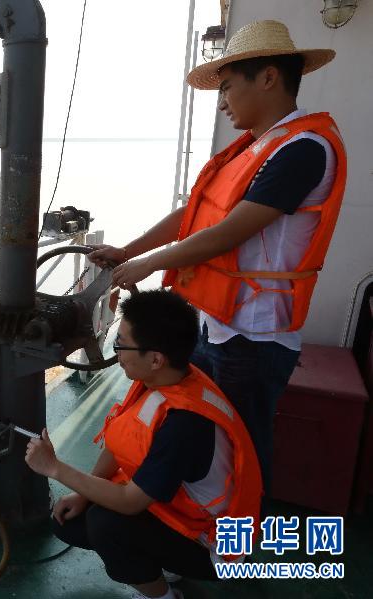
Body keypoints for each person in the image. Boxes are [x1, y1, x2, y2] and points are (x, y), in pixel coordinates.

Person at [88, 20, 346, 485]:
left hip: (257, 336)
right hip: (218, 323)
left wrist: (148, 264)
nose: (222, 102)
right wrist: (129, 249)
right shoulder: (252, 148)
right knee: (201, 432)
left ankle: (238, 552)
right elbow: (195, 212)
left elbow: (230, 233)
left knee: (243, 445)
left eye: (227, 88)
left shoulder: (304, 149)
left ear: (268, 77)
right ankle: (202, 531)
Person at [25, 290, 261, 599]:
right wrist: (82, 493)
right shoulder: (166, 379)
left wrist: (55, 469)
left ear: (155, 359)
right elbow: (122, 440)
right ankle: (163, 562)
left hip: (212, 544)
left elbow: (129, 502)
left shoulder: (184, 424)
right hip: (177, 510)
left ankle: (162, 595)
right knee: (69, 521)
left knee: (106, 525)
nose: (117, 351)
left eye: (122, 343)